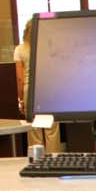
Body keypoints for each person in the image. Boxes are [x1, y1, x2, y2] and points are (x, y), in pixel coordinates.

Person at [13, 17, 60, 151]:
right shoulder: (50, 48)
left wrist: (21, 99)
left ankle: (37, 161)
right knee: (52, 128)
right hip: (49, 88)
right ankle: (54, 160)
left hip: (30, 90)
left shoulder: (20, 50)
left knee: (34, 127)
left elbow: (19, 79)